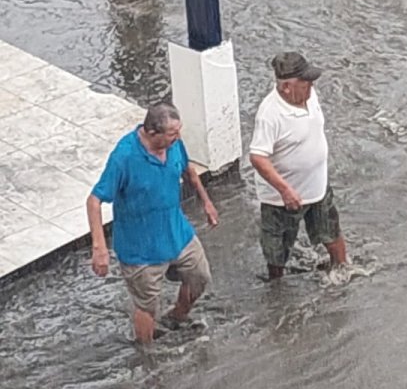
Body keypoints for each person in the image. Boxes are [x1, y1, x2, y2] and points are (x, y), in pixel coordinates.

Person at [86, 103, 219, 344]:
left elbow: (188, 170)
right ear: (152, 132)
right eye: (172, 134)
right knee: (147, 304)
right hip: (141, 248)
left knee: (200, 276)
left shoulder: (175, 145)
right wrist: (99, 248)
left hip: (178, 234)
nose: (178, 138)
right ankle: (146, 353)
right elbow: (94, 201)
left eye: (179, 132)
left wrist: (206, 202)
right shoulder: (124, 157)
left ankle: (176, 317)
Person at [249, 51, 349, 280]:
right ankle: (277, 287)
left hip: (317, 185)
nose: (311, 86)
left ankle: (343, 269)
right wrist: (285, 190)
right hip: (283, 197)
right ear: (286, 87)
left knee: (331, 229)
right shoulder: (270, 115)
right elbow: (257, 157)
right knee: (277, 248)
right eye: (305, 82)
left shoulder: (309, 96)